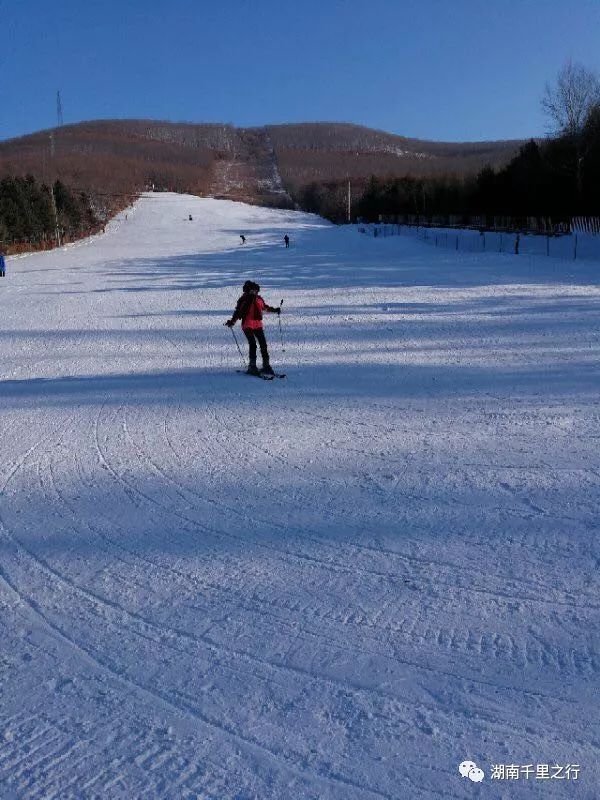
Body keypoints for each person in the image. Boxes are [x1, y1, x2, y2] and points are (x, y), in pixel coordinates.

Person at [225, 281, 280, 375]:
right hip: (247, 324)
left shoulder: (259, 299)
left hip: (258, 324)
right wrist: (232, 321)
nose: (254, 292)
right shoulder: (244, 299)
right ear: (247, 290)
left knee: (263, 344)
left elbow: (265, 307)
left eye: (255, 291)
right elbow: (238, 312)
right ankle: (252, 366)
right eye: (252, 291)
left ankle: (266, 366)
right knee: (253, 344)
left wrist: (275, 310)